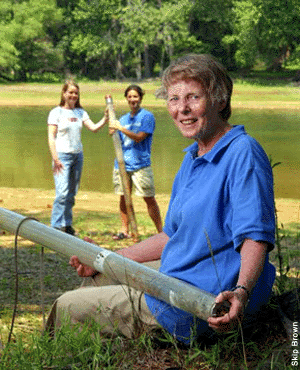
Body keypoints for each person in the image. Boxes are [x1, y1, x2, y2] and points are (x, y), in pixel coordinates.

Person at [46, 54, 276, 345]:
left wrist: (241, 292)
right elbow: (172, 236)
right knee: (98, 275)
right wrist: (108, 257)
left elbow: (255, 235)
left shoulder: (243, 152)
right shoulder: (193, 158)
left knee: (68, 306)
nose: (182, 109)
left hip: (201, 299)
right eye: (174, 99)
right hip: (179, 273)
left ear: (220, 100)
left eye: (194, 97)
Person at [48, 80, 108, 235]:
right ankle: (55, 226)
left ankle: (67, 224)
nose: (73, 95)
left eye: (76, 93)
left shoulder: (81, 112)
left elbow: (93, 128)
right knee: (61, 193)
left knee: (71, 193)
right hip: (61, 156)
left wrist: (105, 118)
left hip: (77, 156)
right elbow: (51, 137)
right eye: (70, 92)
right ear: (64, 93)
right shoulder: (56, 112)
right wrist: (55, 158)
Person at [109, 85, 162, 240]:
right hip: (122, 165)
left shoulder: (147, 117)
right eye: (130, 97)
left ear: (141, 98)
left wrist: (120, 128)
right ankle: (124, 230)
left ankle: (161, 233)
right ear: (126, 98)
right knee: (124, 197)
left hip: (141, 165)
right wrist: (113, 130)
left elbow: (139, 137)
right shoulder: (123, 119)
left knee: (149, 198)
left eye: (135, 96)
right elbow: (117, 139)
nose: (133, 100)